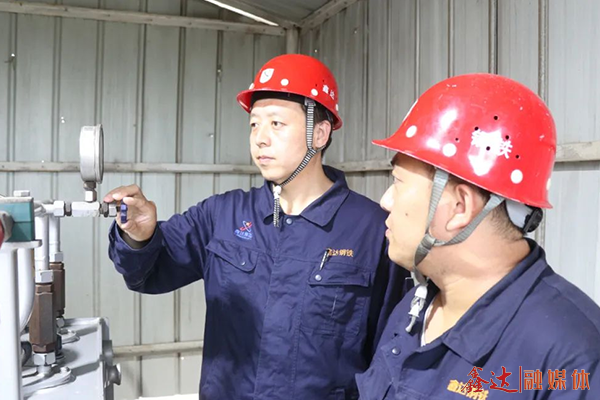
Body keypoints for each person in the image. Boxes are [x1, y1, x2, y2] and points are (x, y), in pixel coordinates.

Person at [104, 54, 411, 399]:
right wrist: (140, 237)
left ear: (320, 133)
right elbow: (147, 273)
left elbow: (391, 351)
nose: (260, 138)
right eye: (254, 125)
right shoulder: (222, 216)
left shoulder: (372, 230)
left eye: (276, 123)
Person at [356, 73, 600, 399]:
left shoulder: (573, 360)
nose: (386, 201)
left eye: (398, 182)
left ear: (459, 207)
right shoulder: (414, 310)